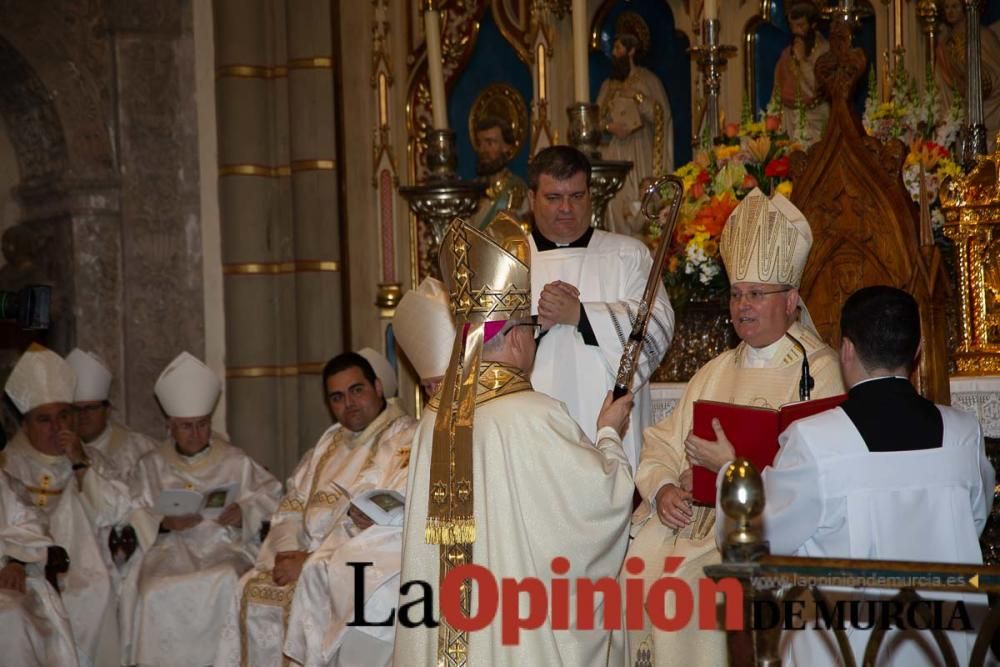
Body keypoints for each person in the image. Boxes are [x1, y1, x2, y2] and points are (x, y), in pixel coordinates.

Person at [393, 217, 636, 665]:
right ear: (517, 336)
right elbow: (601, 506)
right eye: (533, 331)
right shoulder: (534, 414)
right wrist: (609, 431)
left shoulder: (433, 417)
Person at [716, 286, 993, 665]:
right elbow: (973, 521)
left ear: (846, 349)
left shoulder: (816, 440)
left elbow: (753, 538)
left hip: (851, 651)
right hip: (949, 647)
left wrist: (730, 471)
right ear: (917, 349)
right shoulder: (964, 432)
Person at [625, 188, 845, 666]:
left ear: (790, 300)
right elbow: (660, 442)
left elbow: (821, 475)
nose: (743, 305)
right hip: (689, 522)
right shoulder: (716, 369)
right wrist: (663, 487)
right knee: (633, 569)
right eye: (737, 293)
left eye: (757, 294)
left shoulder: (819, 371)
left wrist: (732, 467)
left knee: (690, 595)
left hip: (757, 532)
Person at [214, 350, 417, 667]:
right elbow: (291, 508)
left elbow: (388, 521)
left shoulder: (405, 438)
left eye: (356, 390)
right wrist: (283, 557)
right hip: (303, 560)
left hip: (353, 569)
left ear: (378, 387)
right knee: (249, 589)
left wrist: (311, 563)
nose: (348, 404)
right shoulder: (328, 444)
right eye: (337, 397)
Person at [121, 351, 281, 667]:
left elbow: (272, 495)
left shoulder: (234, 460)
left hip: (223, 546)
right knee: (153, 589)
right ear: (170, 426)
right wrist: (163, 523)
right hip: (168, 550)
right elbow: (130, 508)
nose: (196, 434)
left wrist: (243, 514)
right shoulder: (150, 466)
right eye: (187, 426)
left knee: (225, 579)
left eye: (203, 425)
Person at [526, 145, 674, 472]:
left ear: (590, 196)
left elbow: (657, 328)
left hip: (610, 434)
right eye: (553, 198)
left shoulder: (627, 255)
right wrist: (536, 324)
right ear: (531, 198)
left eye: (577, 196)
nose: (566, 208)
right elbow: (479, 343)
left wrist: (580, 316)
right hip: (530, 439)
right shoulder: (508, 261)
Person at [2, 343, 132, 666]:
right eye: (45, 419)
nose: (58, 427)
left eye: (64, 416)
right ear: (26, 423)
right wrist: (14, 560)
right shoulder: (8, 466)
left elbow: (116, 509)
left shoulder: (89, 457)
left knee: (97, 591)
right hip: (26, 574)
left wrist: (79, 463)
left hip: (87, 569)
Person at [596, 24, 673, 236]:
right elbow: (597, 120)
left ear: (631, 51)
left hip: (640, 150)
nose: (614, 54)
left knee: (640, 201)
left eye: (619, 49)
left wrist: (637, 97)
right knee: (614, 203)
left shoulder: (647, 80)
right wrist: (611, 127)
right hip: (615, 153)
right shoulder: (608, 85)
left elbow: (660, 114)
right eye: (614, 49)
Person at [0, 467, 80, 666]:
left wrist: (16, 561)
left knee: (10, 614)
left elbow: (31, 525)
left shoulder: (4, 485)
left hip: (3, 580)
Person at [65, 348, 157, 483]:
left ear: (107, 410)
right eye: (76, 409)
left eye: (91, 408)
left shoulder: (139, 449)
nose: (83, 415)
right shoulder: (58, 449)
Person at [936, 0, 1000, 148]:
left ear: (964, 8)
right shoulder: (946, 45)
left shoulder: (982, 36)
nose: (950, 12)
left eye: (954, 6)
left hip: (987, 108)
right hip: (961, 110)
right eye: (946, 7)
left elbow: (994, 73)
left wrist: (972, 72)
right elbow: (944, 84)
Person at [772, 0, 830, 145]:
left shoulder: (825, 51)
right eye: (792, 26)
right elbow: (776, 92)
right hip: (788, 121)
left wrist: (803, 61)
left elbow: (817, 90)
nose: (795, 31)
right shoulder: (787, 54)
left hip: (815, 121)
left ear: (813, 25)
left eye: (801, 25)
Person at [470, 116, 529, 230]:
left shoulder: (518, 189)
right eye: (480, 143)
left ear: (507, 147)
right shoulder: (472, 191)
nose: (482, 150)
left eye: (490, 143)